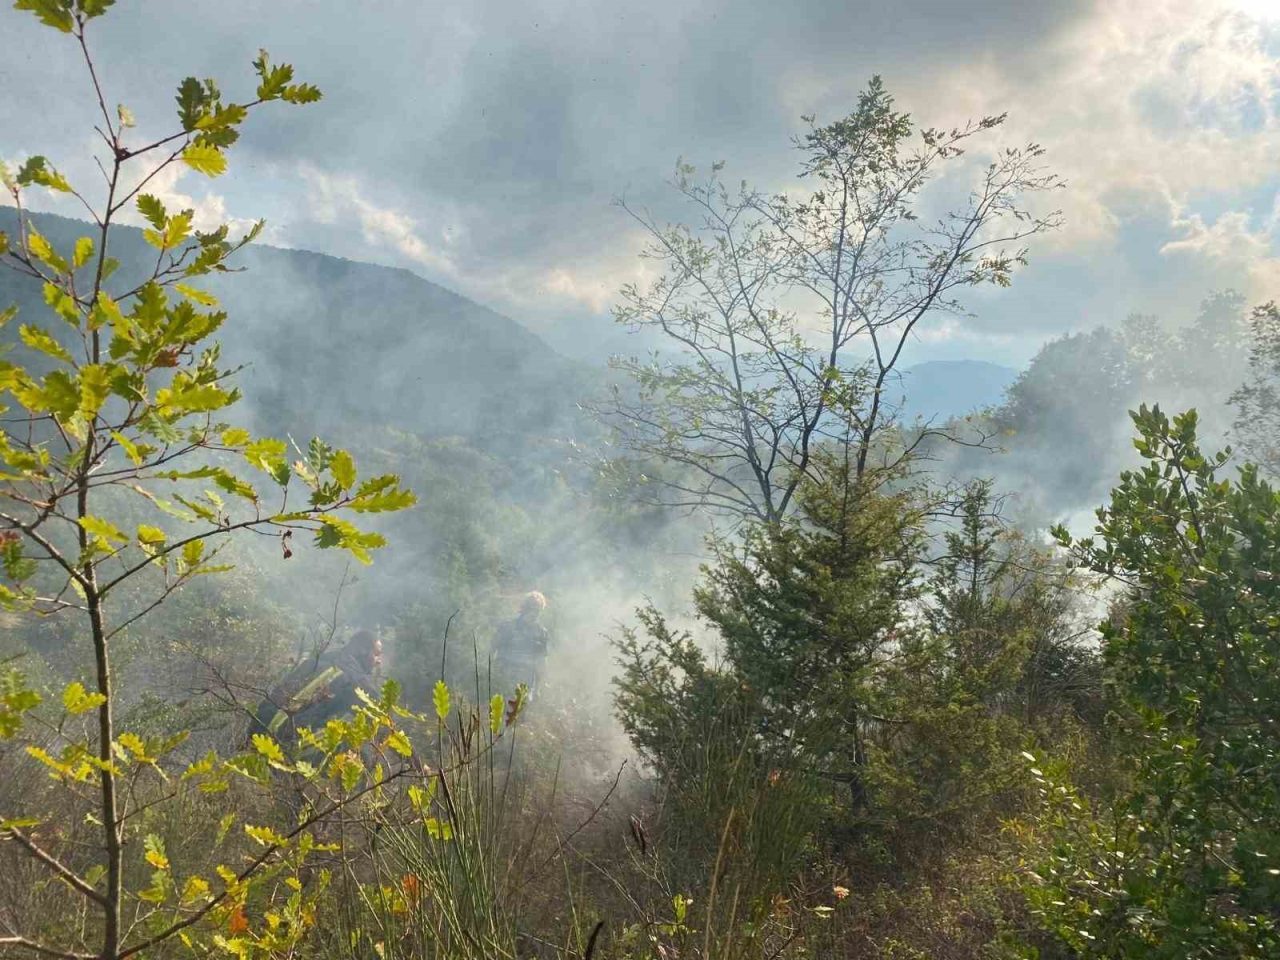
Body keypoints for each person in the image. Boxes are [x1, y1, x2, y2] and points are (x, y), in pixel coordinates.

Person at [251, 629, 383, 743]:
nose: (379, 661)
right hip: (291, 746)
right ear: (363, 651)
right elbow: (380, 720)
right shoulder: (357, 681)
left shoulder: (317, 660)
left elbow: (277, 694)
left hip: (259, 727)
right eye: (376, 654)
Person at [491, 591, 551, 698]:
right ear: (525, 608)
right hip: (504, 677)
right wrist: (492, 675)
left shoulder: (541, 632)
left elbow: (541, 662)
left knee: (520, 711)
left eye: (538, 610)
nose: (535, 614)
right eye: (532, 609)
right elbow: (492, 649)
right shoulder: (508, 627)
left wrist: (537, 688)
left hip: (525, 681)